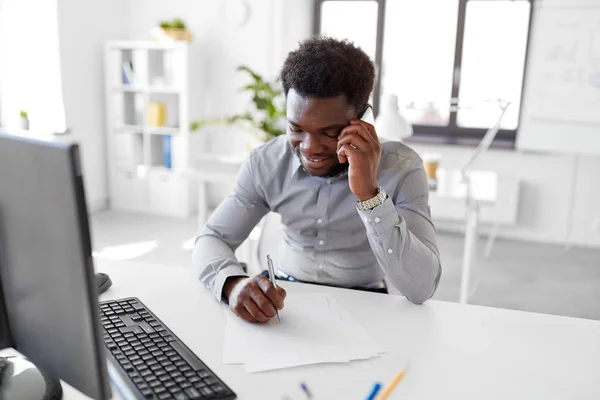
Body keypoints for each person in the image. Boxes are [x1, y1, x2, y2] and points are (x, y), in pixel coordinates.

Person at [193, 36, 441, 323]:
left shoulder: (402, 168)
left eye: (330, 132)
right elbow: (213, 238)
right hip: (286, 297)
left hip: (365, 300)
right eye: (296, 128)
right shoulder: (267, 162)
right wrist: (230, 283)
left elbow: (421, 288)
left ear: (364, 118)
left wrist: (369, 196)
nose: (309, 147)